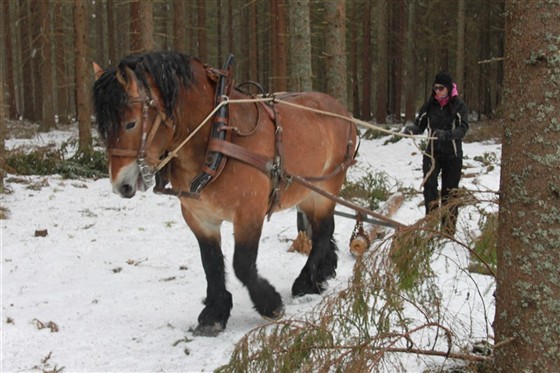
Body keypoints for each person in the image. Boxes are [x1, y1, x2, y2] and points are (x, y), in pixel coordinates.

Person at [404, 71, 469, 234]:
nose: (437, 91)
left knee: (450, 192)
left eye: (441, 88)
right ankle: (431, 226)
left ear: (448, 88)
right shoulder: (429, 105)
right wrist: (413, 130)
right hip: (432, 154)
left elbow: (463, 129)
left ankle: (448, 230)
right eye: (435, 88)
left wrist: (446, 135)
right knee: (430, 188)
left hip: (453, 155)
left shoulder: (458, 106)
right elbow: (420, 125)